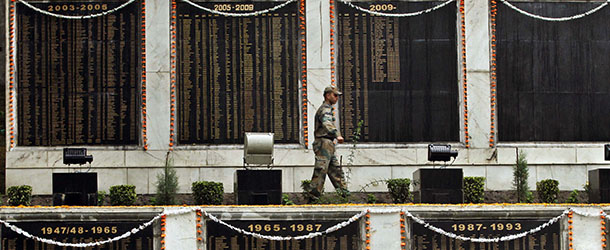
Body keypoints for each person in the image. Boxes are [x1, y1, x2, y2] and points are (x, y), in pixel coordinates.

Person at [308, 86, 349, 201]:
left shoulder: (328, 109)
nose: (337, 98)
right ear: (327, 95)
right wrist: (337, 134)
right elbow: (327, 124)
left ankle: (344, 195)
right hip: (323, 143)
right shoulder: (325, 109)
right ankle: (313, 198)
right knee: (321, 170)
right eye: (335, 95)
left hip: (328, 143)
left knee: (335, 170)